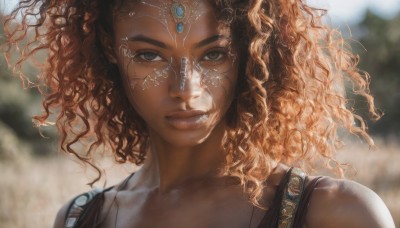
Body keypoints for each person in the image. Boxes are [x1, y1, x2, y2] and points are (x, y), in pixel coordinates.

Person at [4, 0, 395, 227]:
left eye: (213, 54)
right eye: (149, 55)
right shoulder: (79, 219)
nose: (185, 88)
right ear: (109, 48)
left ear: (248, 54)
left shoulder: (336, 214)